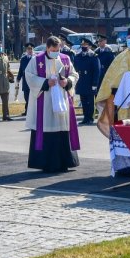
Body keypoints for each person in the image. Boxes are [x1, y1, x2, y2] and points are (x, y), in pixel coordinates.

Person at [24, 36, 80, 173]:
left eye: (58, 49)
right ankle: (46, 163)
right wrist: (44, 83)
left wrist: (68, 81)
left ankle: (65, 162)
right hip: (45, 101)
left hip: (62, 99)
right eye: (53, 49)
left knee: (62, 129)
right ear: (47, 48)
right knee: (46, 128)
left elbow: (74, 74)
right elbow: (29, 76)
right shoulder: (36, 60)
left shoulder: (65, 59)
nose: (56, 52)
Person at [74, 39, 101, 125]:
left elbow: (97, 71)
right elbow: (75, 68)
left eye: (85, 45)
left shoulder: (93, 56)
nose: (84, 47)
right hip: (81, 82)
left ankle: (90, 117)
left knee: (90, 101)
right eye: (82, 45)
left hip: (90, 82)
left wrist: (95, 83)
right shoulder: (78, 56)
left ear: (89, 46)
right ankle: (85, 117)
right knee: (84, 101)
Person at [17, 44, 35, 115]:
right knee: (26, 97)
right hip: (26, 81)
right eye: (28, 49)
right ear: (26, 50)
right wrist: (18, 78)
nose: (30, 50)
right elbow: (21, 70)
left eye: (31, 49)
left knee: (33, 97)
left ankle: (33, 112)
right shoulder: (23, 59)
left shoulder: (36, 58)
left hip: (34, 81)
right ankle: (27, 110)